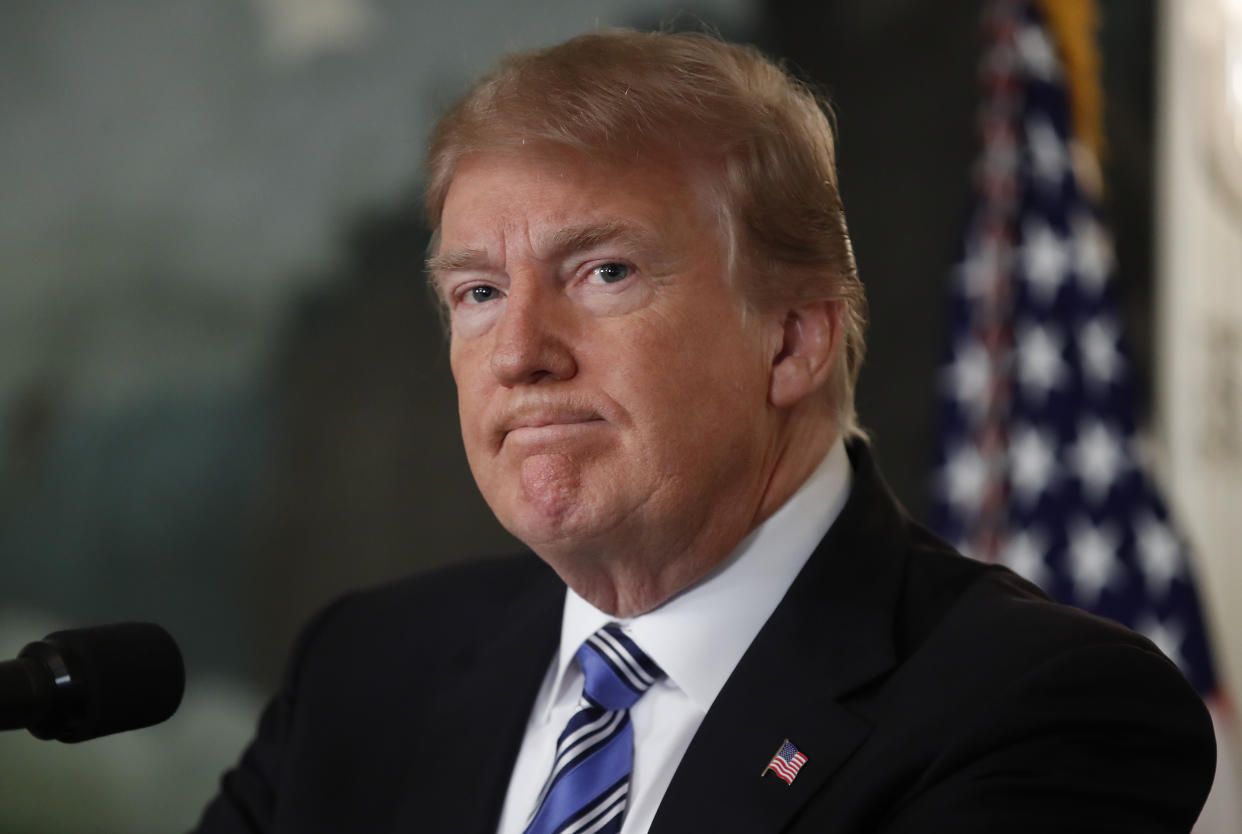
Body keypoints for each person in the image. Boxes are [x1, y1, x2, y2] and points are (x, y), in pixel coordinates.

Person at [192, 29, 1215, 834]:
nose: (519, 353)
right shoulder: (368, 669)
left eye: (605, 273)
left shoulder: (1036, 709)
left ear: (793, 340)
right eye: (478, 291)